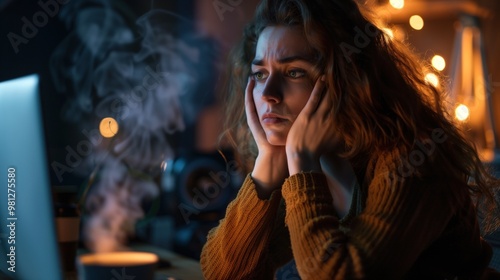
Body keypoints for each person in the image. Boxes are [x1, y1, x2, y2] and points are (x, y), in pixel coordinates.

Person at [200, 0, 500, 279]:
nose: (268, 94)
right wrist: (266, 167)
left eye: (294, 72)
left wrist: (302, 166)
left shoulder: (414, 157)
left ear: (345, 77)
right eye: (261, 73)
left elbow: (342, 273)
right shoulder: (289, 155)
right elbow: (221, 274)